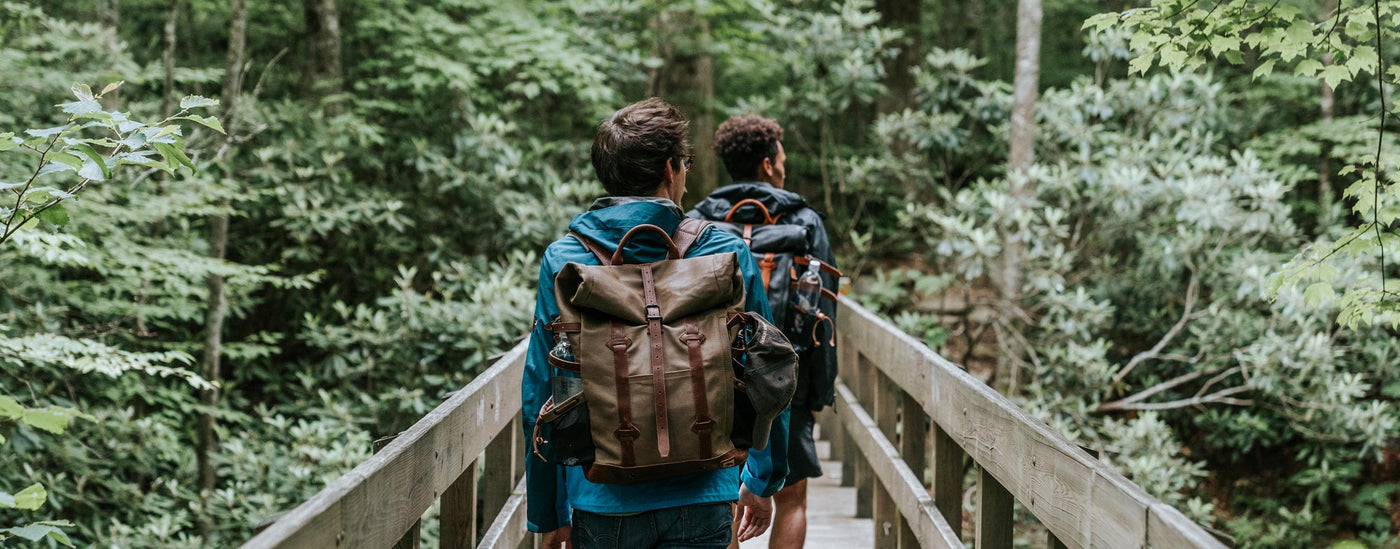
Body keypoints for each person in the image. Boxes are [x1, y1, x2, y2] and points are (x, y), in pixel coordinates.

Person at [522, 98, 790, 549]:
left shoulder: (566, 260)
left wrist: (548, 512)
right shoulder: (722, 252)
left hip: (600, 496)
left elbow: (542, 387)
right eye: (685, 162)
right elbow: (768, 370)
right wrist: (764, 480)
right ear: (670, 169)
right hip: (705, 491)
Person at [688, 114, 839, 549]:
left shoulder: (699, 221)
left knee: (722, 498)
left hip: (713, 375)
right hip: (788, 375)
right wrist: (816, 392)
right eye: (783, 158)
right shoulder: (805, 221)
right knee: (791, 499)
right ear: (770, 164)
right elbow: (824, 309)